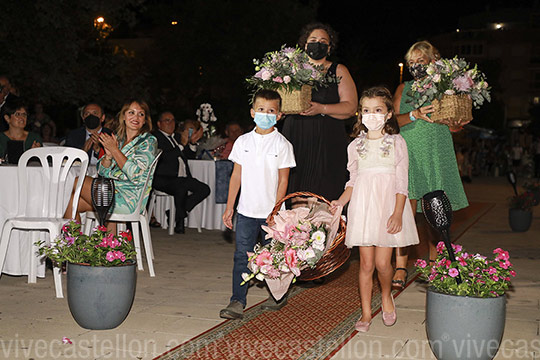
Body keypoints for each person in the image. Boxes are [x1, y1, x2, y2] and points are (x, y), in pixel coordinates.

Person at [330, 87, 419, 333]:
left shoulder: (397, 142)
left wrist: (398, 212)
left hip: (388, 207)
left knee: (383, 264)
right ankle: (366, 312)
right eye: (367, 110)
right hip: (363, 208)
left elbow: (402, 182)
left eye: (378, 110)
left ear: (389, 114)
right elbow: (352, 181)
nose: (372, 115)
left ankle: (387, 295)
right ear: (360, 114)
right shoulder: (355, 146)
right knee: (366, 265)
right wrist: (340, 202)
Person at [391, 41, 469, 288]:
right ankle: (401, 266)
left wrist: (457, 122)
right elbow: (392, 122)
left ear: (434, 62)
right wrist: (414, 114)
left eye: (420, 62)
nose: (415, 67)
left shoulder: (445, 88)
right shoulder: (403, 88)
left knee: (437, 210)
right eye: (411, 63)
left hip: (436, 153)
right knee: (406, 212)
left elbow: (455, 122)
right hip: (410, 153)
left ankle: (437, 263)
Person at [220, 89, 296, 320]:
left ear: (279, 115)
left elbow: (283, 179)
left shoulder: (283, 144)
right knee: (242, 256)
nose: (266, 114)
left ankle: (277, 295)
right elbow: (236, 176)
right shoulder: (243, 142)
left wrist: (275, 209)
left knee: (274, 256)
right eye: (261, 110)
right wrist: (229, 206)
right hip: (245, 211)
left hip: (272, 213)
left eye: (271, 111)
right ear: (253, 112)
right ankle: (237, 300)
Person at [281, 22, 358, 201]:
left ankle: (323, 228)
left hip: (327, 140)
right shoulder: (290, 71)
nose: (318, 43)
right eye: (313, 40)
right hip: (296, 137)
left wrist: (321, 109)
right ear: (304, 44)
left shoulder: (338, 70)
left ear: (329, 47)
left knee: (324, 193)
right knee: (294, 189)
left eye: (323, 41)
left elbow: (351, 107)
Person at [64, 99, 158, 231]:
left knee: (78, 181)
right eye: (131, 112)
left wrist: (115, 150)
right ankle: (80, 247)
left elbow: (136, 174)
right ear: (123, 117)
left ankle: (72, 245)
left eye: (141, 114)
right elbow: (102, 173)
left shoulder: (147, 141)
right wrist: (108, 156)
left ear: (145, 120)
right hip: (111, 192)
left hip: (129, 198)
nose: (136, 117)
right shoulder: (118, 140)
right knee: (74, 201)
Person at [151, 111, 211, 234]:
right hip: (163, 177)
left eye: (173, 120)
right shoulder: (155, 138)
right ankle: (179, 222)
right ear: (159, 123)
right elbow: (165, 157)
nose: (171, 123)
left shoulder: (177, 137)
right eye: (167, 120)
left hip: (181, 178)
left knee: (204, 189)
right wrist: (182, 145)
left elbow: (188, 155)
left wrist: (192, 143)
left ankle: (178, 213)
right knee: (181, 186)